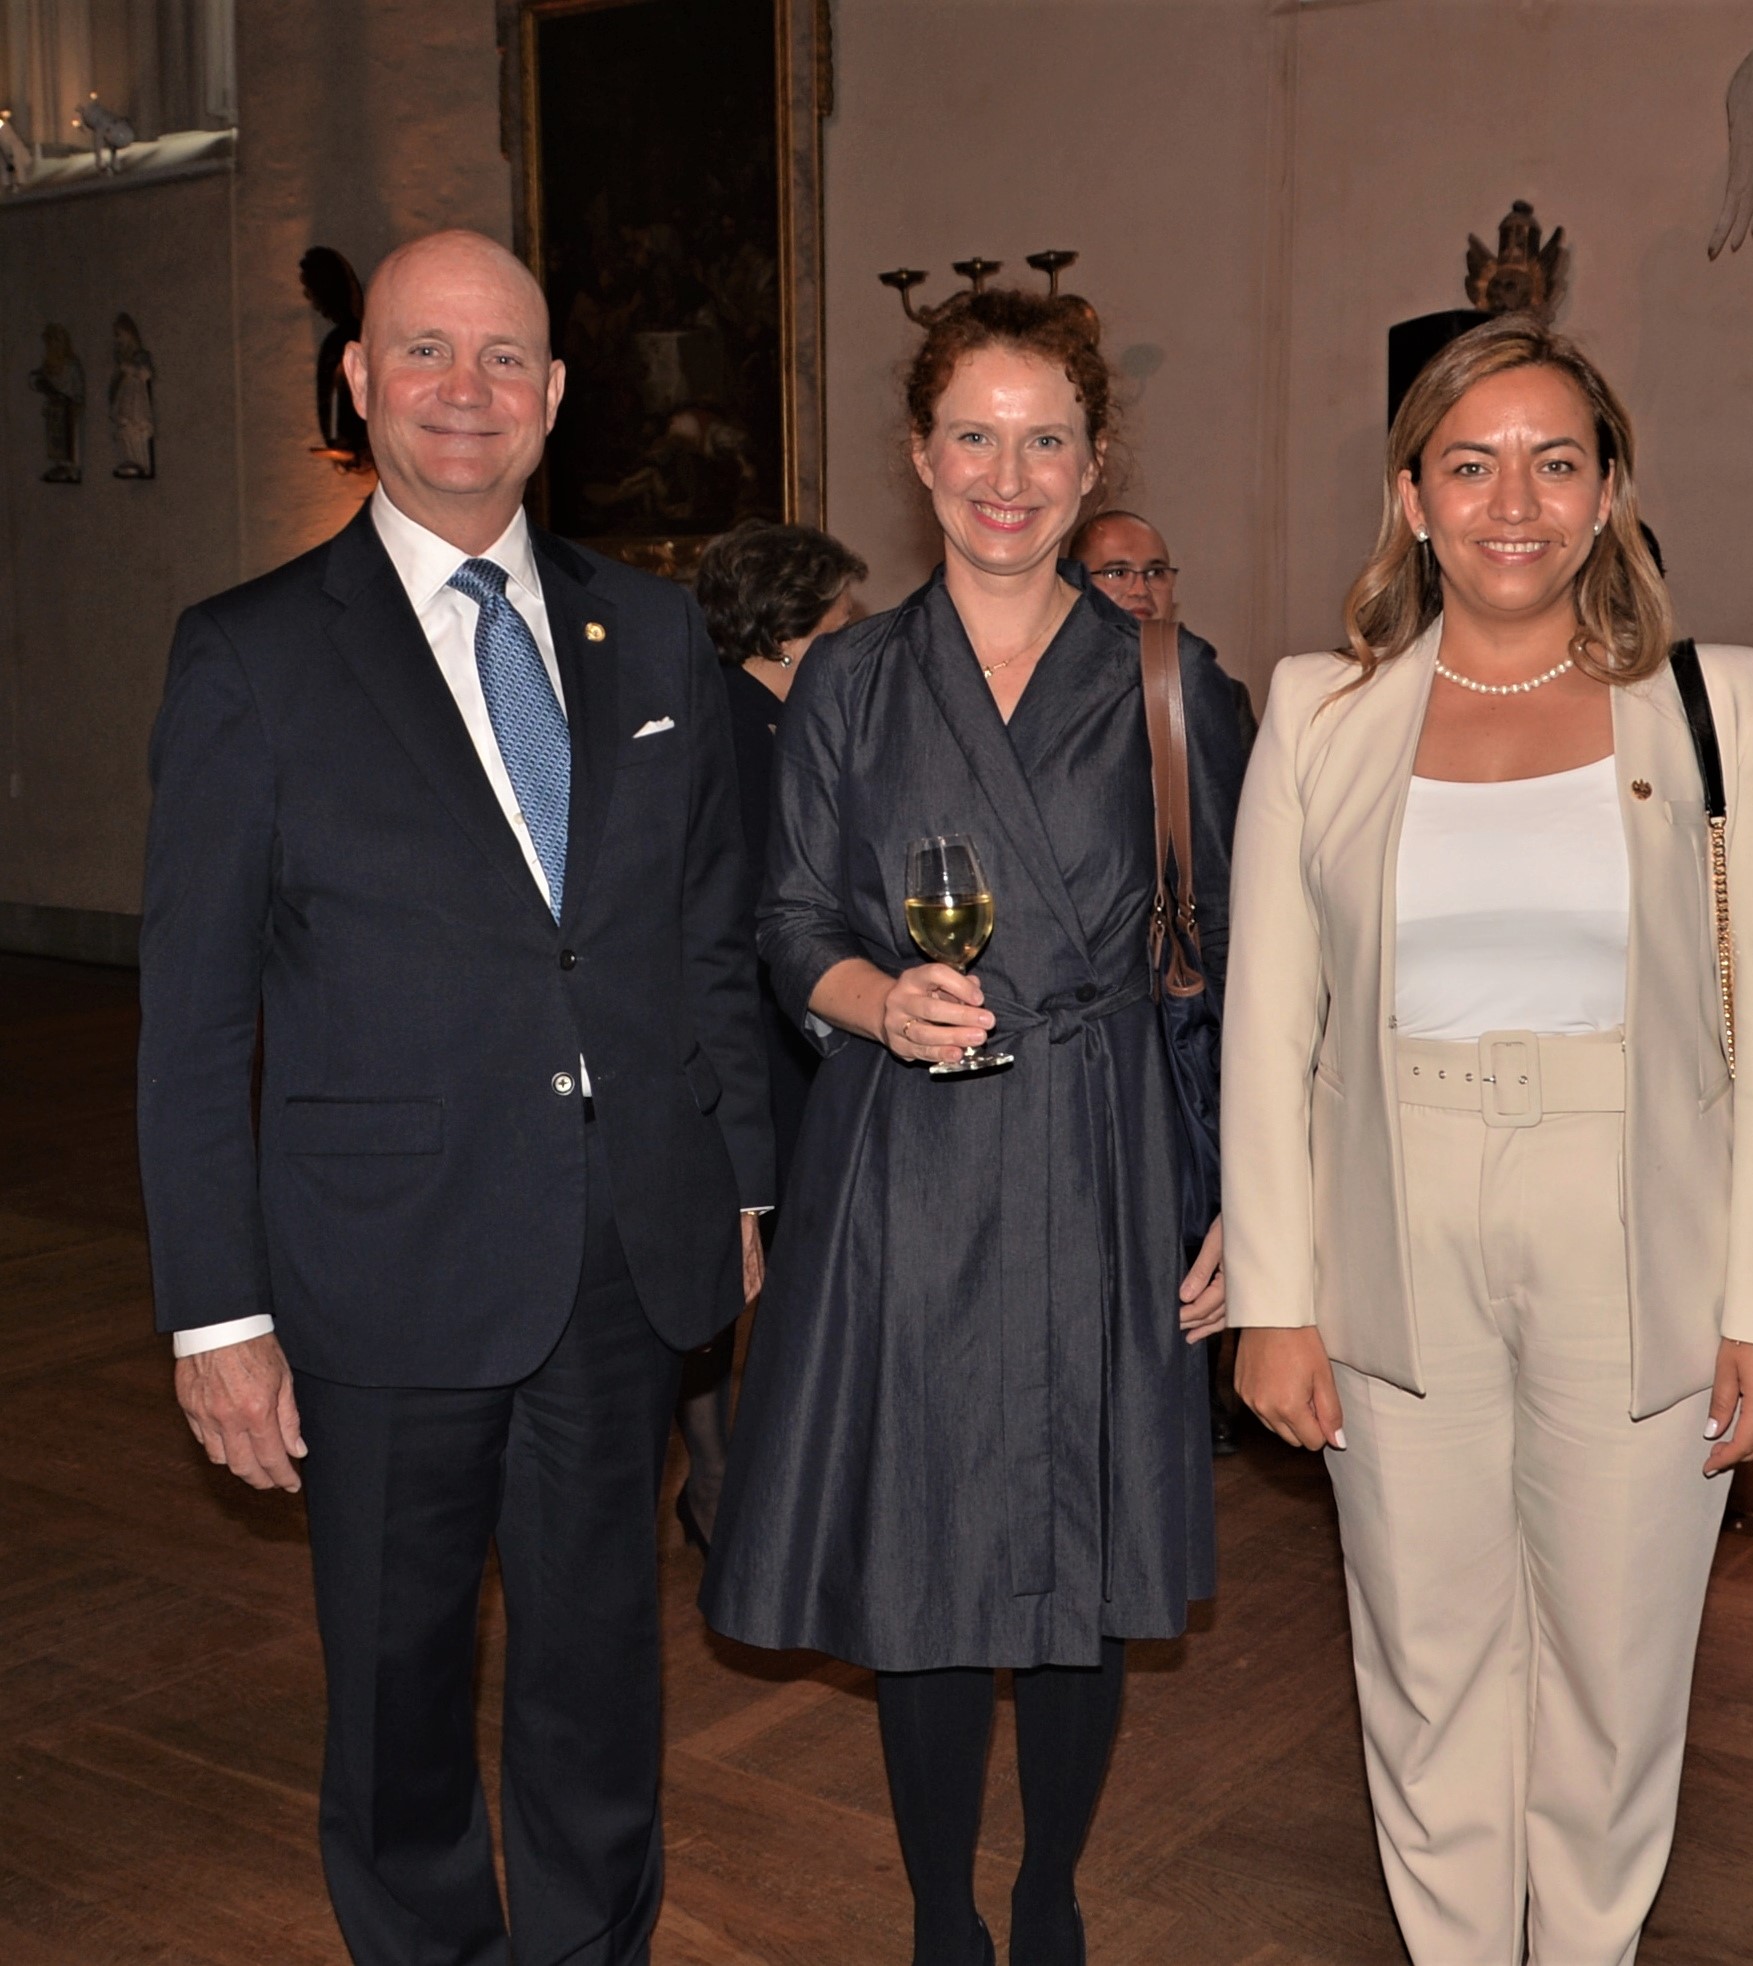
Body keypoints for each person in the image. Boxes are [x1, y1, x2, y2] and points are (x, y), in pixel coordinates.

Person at [139, 229, 773, 1966]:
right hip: (380, 1267)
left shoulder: (652, 631)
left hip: (616, 1257)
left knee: (599, 1678)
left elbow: (704, 940)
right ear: (358, 381)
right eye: (425, 350)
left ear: (555, 394)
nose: (466, 391)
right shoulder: (253, 656)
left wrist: (736, 1183)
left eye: (504, 358)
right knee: (398, 1693)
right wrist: (216, 1316)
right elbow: (190, 1022)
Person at [1223, 315, 1753, 1963]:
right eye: (1471, 464)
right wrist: (1275, 1296)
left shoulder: (1715, 706)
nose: (1513, 503)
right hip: (1391, 1216)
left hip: (1636, 1221)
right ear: (1411, 496)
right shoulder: (1319, 713)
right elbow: (1270, 1030)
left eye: (1555, 463)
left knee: (1615, 1673)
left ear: (1608, 491)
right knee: (1425, 1662)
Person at [702, 287, 1245, 1966]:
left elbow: (1229, 966)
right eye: (974, 439)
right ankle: (942, 1908)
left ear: (1094, 461)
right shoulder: (852, 680)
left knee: (1079, 1561)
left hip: (1101, 1150)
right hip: (906, 1162)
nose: (1007, 478)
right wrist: (875, 997)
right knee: (926, 1557)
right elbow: (789, 921)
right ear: (919, 456)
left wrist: (1244, 1202)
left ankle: (1048, 1887)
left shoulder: (1170, 684)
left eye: (1044, 441)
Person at [673, 518, 868, 1553]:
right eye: (844, 615)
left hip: (780, 1029)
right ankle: (723, 1487)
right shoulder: (737, 728)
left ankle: (742, 1485)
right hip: (753, 1035)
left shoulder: (777, 716)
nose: (857, 631)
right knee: (741, 1272)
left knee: (765, 1272)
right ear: (792, 628)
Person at [1068, 507, 1252, 1455]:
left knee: (1170, 1220)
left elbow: (1220, 869)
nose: (1139, 588)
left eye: (1154, 570)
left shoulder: (1191, 679)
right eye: (1116, 573)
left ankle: (1177, 1413)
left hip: (1160, 1000)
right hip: (1058, 1012)